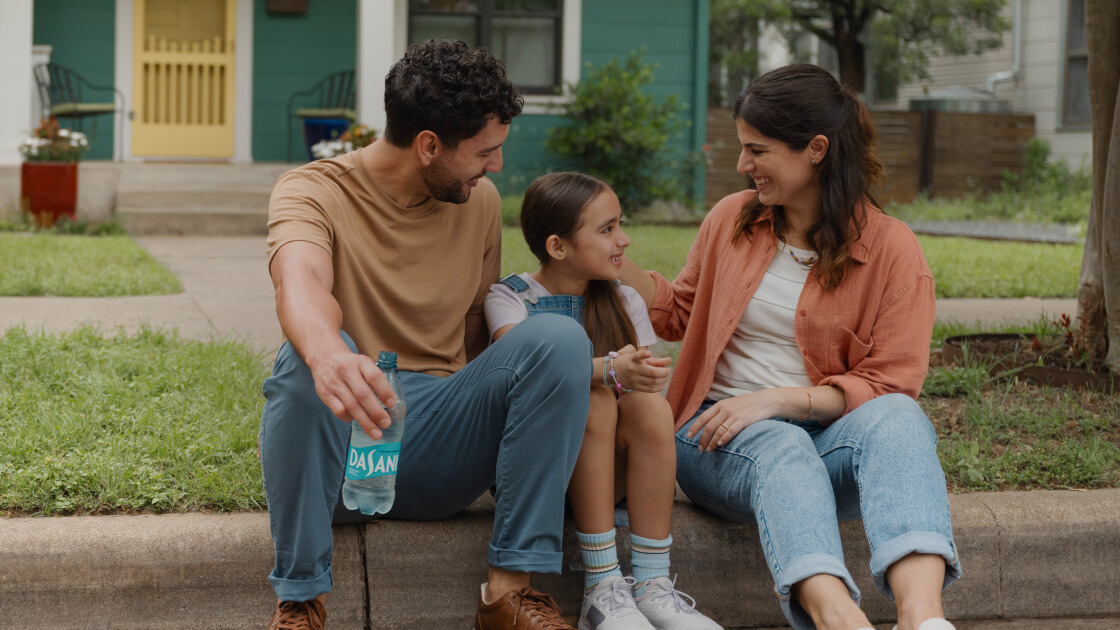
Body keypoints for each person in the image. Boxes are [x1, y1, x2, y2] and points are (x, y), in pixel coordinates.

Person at [261, 40, 594, 630]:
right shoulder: (311, 191)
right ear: (428, 145)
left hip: (436, 444)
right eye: (485, 152)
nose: (495, 166)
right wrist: (329, 356)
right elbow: (300, 283)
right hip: (343, 453)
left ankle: (509, 598)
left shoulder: (480, 202)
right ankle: (301, 605)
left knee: (558, 339)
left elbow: (479, 342)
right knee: (302, 359)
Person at [619, 64, 962, 630]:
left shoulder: (893, 250)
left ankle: (923, 619)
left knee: (900, 416)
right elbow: (677, 311)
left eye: (758, 150)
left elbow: (888, 385)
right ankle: (838, 619)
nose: (741, 165)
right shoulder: (732, 219)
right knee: (781, 445)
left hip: (826, 439)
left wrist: (780, 399)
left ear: (816, 150)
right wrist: (604, 246)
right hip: (714, 439)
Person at [485, 172, 723, 630]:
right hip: (538, 477)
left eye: (621, 225)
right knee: (592, 398)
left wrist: (646, 375)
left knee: (649, 405)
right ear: (558, 247)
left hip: (609, 475)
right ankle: (602, 587)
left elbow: (644, 388)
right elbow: (523, 367)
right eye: (607, 229)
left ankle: (653, 585)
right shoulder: (510, 298)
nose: (624, 240)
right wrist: (609, 371)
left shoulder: (623, 298)